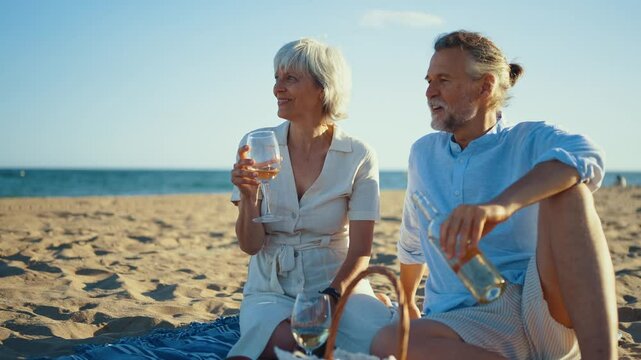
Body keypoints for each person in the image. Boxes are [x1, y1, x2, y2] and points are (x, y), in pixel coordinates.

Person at [371, 30, 617, 359]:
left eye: (443, 80)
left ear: (485, 86)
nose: (430, 92)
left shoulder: (527, 139)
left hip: (542, 301)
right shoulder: (423, 153)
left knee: (571, 194)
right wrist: (406, 301)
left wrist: (499, 207)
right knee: (389, 341)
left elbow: (587, 153)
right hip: (464, 320)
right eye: (429, 80)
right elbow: (412, 239)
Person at [228, 38, 392, 359]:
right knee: (282, 344)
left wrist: (329, 299)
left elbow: (361, 251)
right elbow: (250, 246)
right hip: (271, 288)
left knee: (383, 345)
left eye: (290, 78)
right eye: (276, 77)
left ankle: (373, 304)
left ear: (323, 88)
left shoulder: (358, 154)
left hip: (337, 285)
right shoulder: (257, 144)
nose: (277, 88)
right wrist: (249, 199)